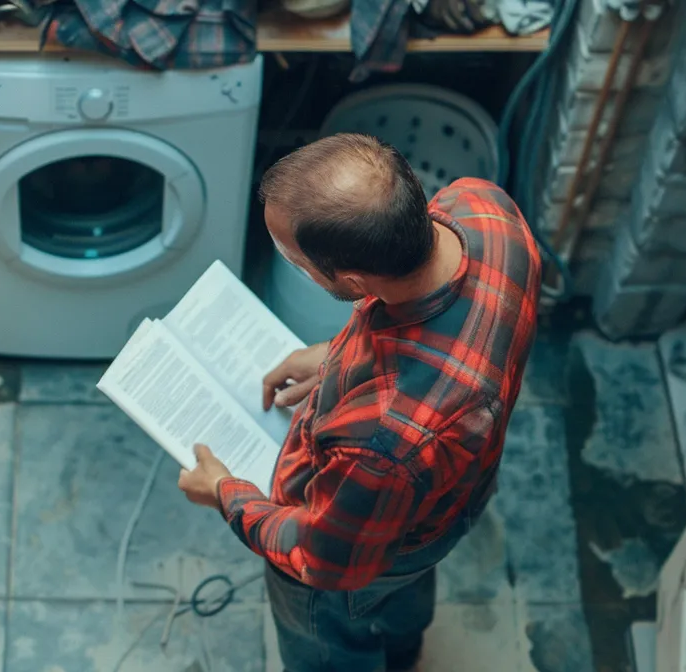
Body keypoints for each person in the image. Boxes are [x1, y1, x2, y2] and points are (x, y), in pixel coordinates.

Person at [175, 132, 541, 671]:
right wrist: (335, 357)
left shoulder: (386, 441)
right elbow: (448, 327)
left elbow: (323, 560)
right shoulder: (484, 206)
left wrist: (225, 493)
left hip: (357, 542)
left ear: (350, 280)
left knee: (329, 638)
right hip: (447, 505)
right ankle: (404, 651)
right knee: (402, 596)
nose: (290, 262)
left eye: (293, 259)